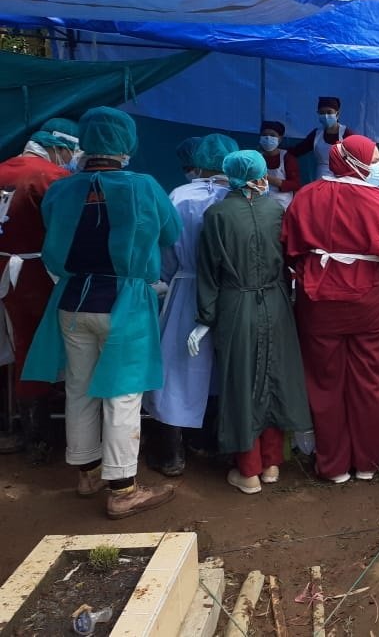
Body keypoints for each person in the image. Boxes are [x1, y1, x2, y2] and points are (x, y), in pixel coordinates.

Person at [23, 106, 182, 519]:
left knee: (79, 386)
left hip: (73, 299)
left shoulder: (62, 188)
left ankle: (87, 470)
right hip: (124, 301)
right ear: (126, 143)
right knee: (122, 392)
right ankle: (123, 487)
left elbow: (52, 231)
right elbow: (171, 234)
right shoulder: (143, 186)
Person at [282, 135, 379, 482]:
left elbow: (288, 250)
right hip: (374, 306)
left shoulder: (305, 197)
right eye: (375, 159)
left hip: (319, 303)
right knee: (373, 383)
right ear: (356, 162)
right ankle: (366, 463)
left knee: (324, 383)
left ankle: (332, 466)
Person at [193, 151, 312, 494]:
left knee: (242, 382)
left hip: (236, 304)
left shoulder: (215, 215)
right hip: (275, 303)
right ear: (260, 174)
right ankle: (272, 463)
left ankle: (248, 470)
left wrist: (205, 317)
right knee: (273, 376)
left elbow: (208, 273)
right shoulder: (276, 210)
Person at [145, 133, 239, 477]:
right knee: (222, 367)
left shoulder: (180, 196)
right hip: (231, 292)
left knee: (178, 368)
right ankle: (216, 444)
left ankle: (171, 453)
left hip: (185, 287)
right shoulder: (242, 196)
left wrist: (169, 279)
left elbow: (166, 249)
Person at [0, 119, 78, 458]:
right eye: (70, 152)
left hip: (4, 270)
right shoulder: (51, 176)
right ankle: (40, 438)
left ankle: (27, 426)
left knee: (19, 345)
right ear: (58, 148)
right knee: (41, 348)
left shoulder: (4, 169)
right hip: (37, 274)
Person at [288, 96, 354, 179]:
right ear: (318, 114)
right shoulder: (316, 134)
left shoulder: (347, 134)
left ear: (337, 114)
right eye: (322, 113)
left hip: (342, 177)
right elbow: (297, 150)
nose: (326, 116)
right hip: (321, 177)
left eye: (329, 112)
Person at [257, 120, 301, 209]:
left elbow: (295, 185)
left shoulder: (287, 158)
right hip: (260, 203)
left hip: (283, 204)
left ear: (280, 138)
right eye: (264, 135)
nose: (268, 138)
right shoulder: (257, 158)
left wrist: (269, 179)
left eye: (272, 135)